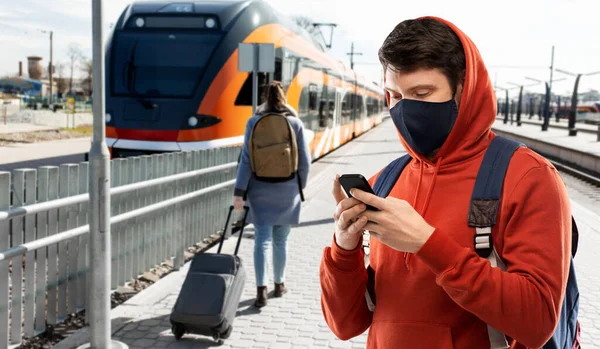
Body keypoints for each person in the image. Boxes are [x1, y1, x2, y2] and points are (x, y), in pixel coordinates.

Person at [320, 17, 572, 348]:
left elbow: (538, 322)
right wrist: (344, 248)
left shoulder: (528, 177)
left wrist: (428, 244)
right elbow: (346, 325)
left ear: (463, 89)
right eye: (394, 95)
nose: (403, 109)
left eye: (421, 93)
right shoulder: (385, 181)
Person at [233, 80, 311, 308]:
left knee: (262, 241)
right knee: (281, 241)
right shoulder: (295, 123)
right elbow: (305, 161)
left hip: (259, 189)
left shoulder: (253, 122)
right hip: (287, 191)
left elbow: (246, 161)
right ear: (284, 97)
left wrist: (239, 192)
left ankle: (261, 291)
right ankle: (280, 284)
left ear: (264, 99)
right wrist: (300, 187)